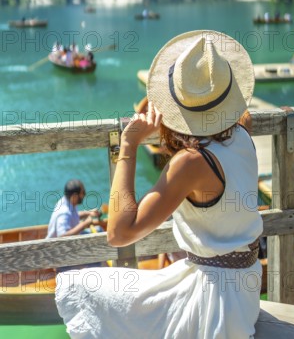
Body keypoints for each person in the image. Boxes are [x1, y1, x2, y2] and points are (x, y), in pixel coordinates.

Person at [56, 30, 263, 339]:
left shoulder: (191, 163)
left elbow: (119, 232)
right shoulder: (242, 132)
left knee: (84, 286)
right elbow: (239, 115)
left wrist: (128, 145)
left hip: (214, 305)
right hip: (244, 289)